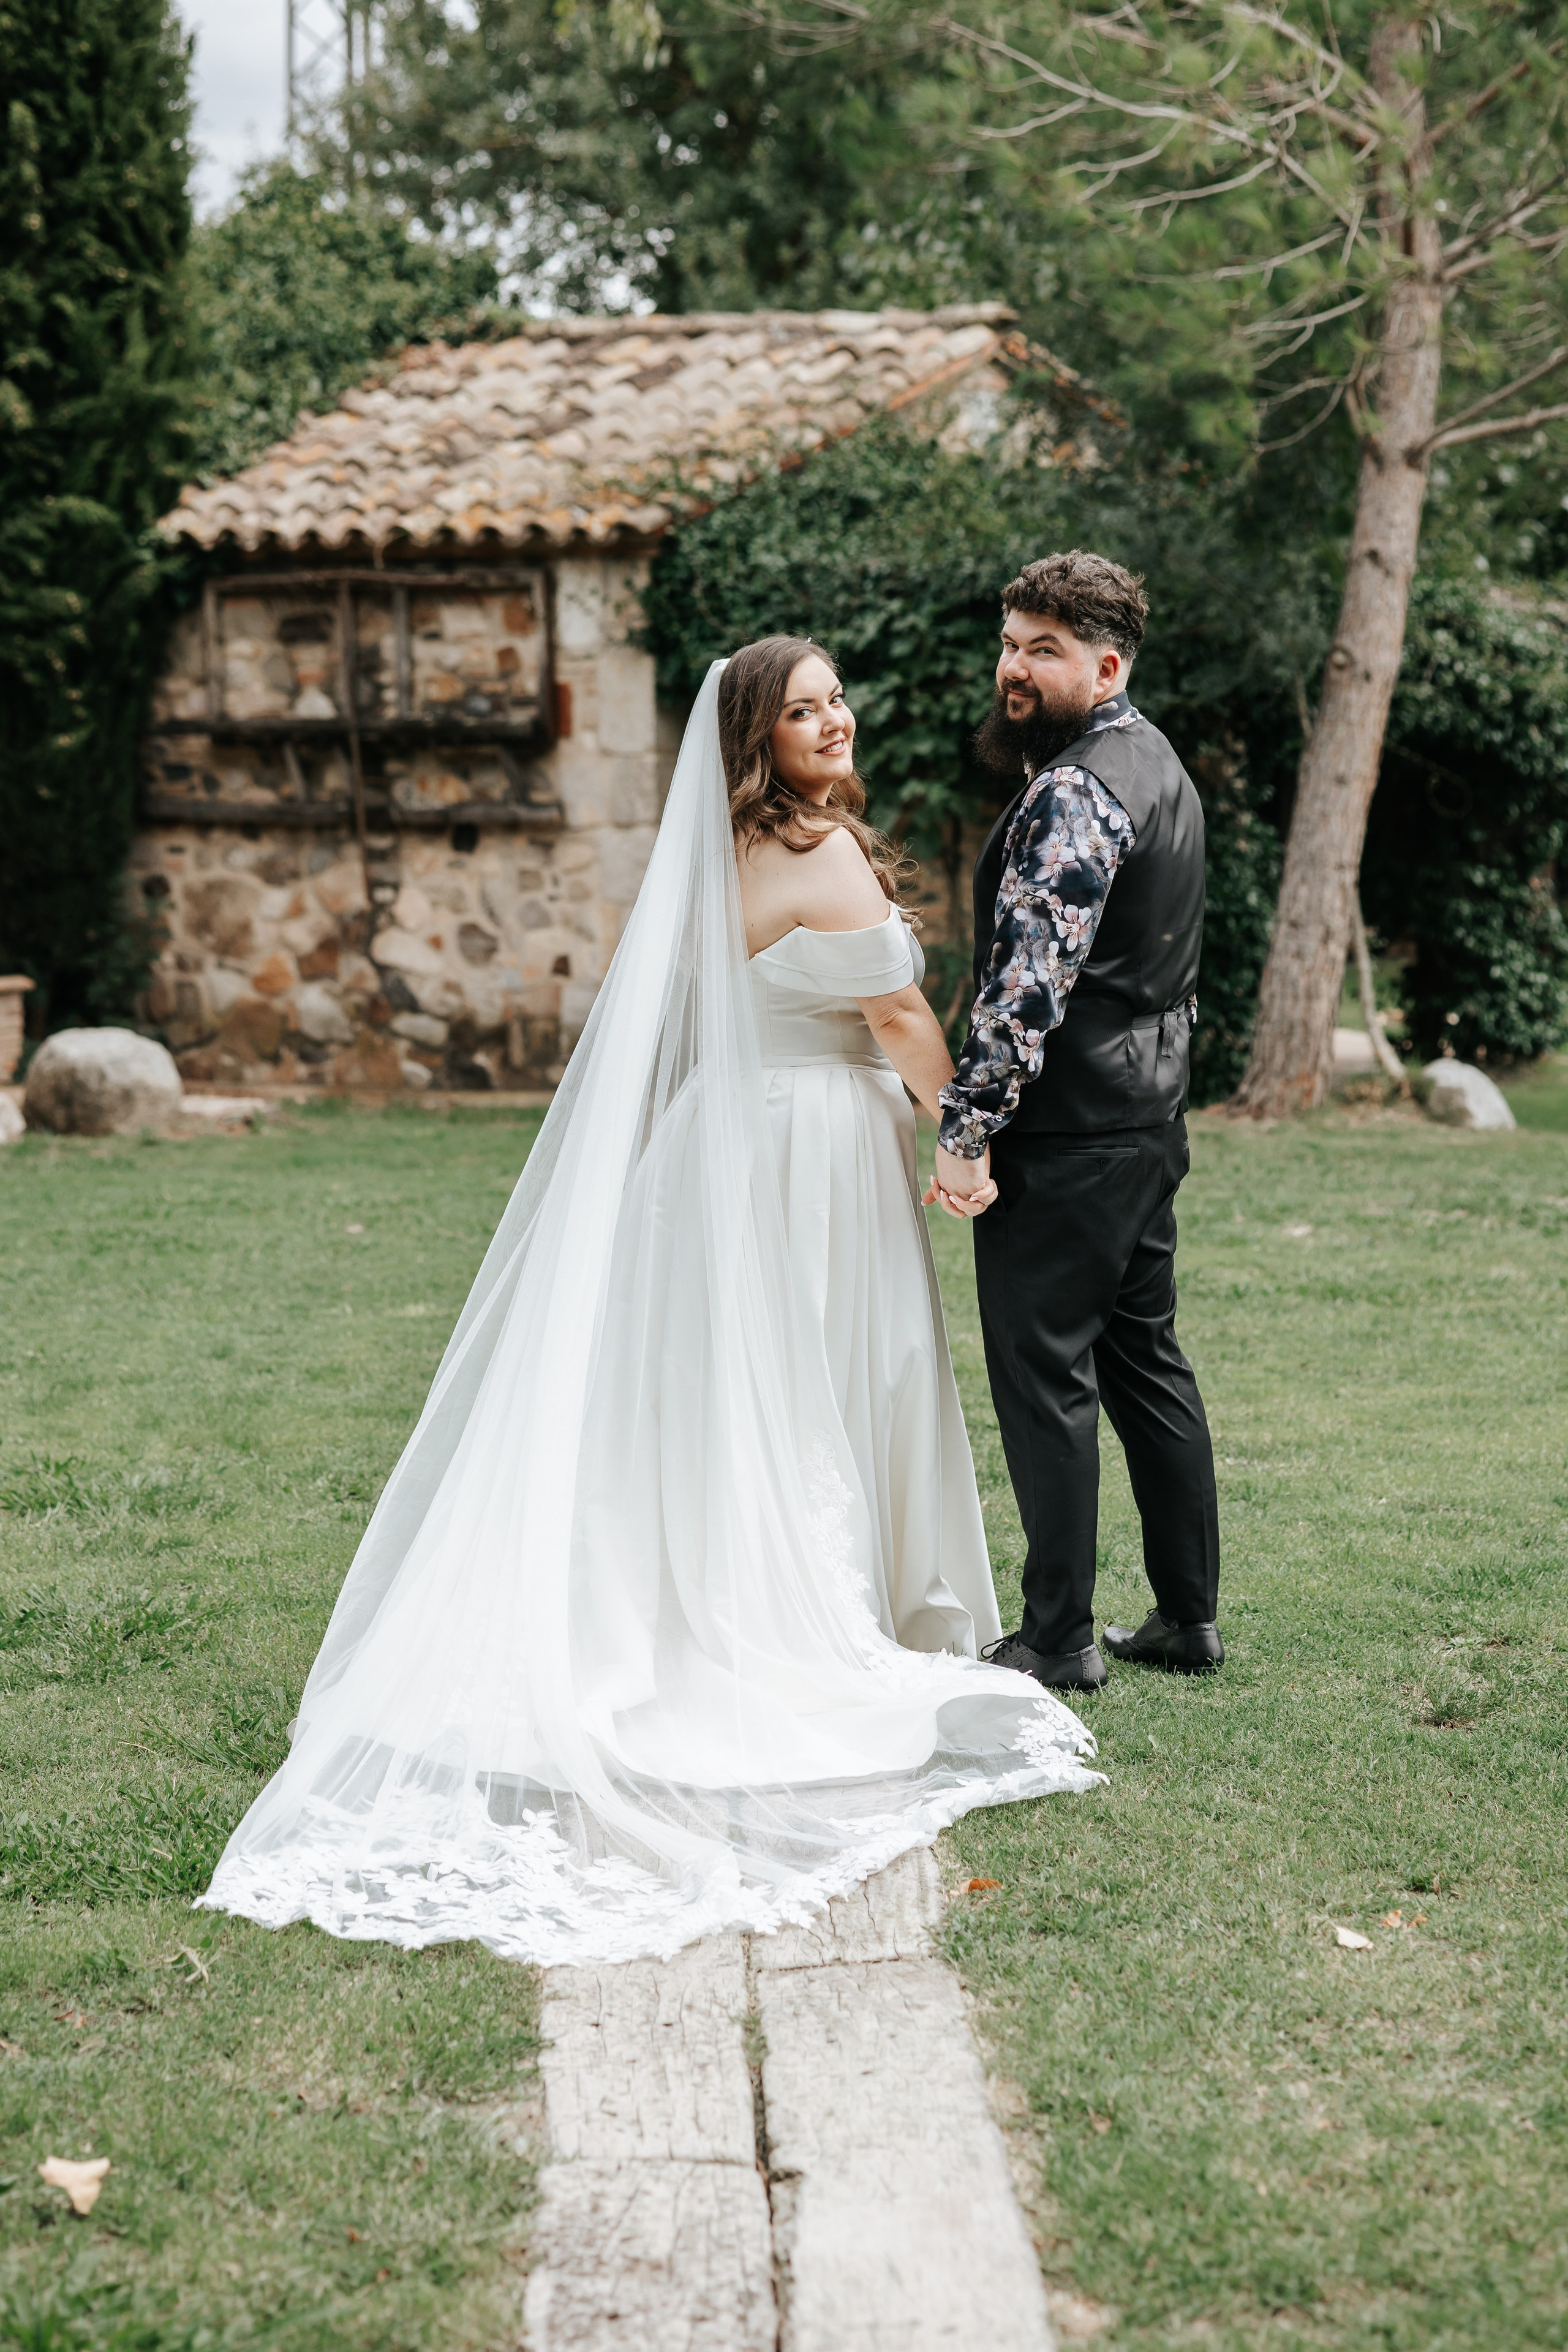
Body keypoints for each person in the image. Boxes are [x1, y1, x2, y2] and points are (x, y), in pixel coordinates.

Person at [200, 639, 1099, 1969]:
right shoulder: (822, 854)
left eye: (837, 699)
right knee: (832, 1366)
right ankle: (826, 1610)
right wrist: (961, 1142)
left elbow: (682, 1021)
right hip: (808, 1146)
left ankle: (705, 1595)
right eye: (804, 712)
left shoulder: (706, 859)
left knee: (718, 1389)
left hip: (712, 1144)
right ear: (759, 740)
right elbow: (903, 1013)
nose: (834, 721)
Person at [930, 552, 1224, 1694]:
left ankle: (1057, 1637)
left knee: (1047, 1373)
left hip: (1068, 1135)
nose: (1014, 667)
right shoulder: (1161, 768)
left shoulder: (1074, 791)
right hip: (1148, 1124)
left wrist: (967, 1127)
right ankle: (1188, 1620)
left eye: (1043, 650)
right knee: (1145, 1359)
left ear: (1106, 666)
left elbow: (1025, 986)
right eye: (1010, 642)